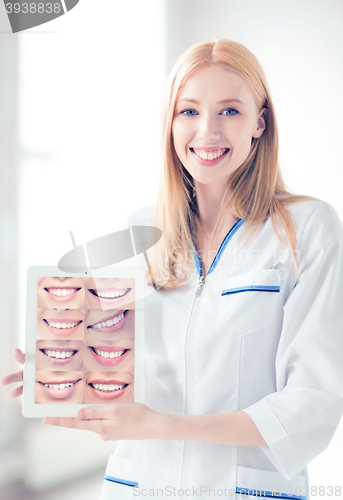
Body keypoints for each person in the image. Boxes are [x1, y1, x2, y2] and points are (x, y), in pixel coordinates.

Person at [2, 39, 343, 499]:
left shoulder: (305, 229)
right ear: (170, 122)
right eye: (188, 111)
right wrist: (69, 370)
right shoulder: (141, 230)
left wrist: (162, 426)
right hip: (141, 485)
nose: (207, 131)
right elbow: (127, 366)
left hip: (243, 489)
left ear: (259, 123)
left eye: (229, 111)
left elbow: (311, 402)